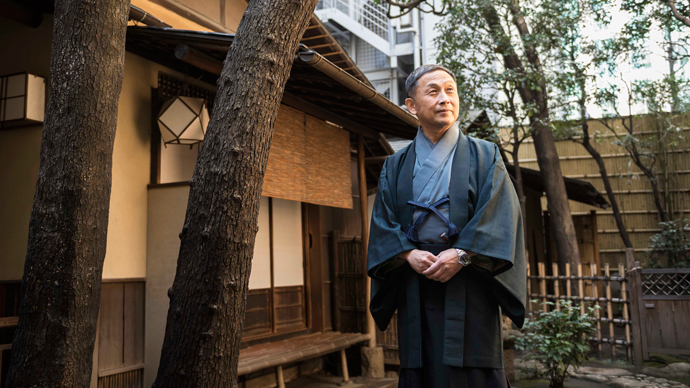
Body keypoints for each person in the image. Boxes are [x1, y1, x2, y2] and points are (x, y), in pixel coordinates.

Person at [367, 64, 526, 388]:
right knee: (421, 367)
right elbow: (383, 222)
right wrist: (407, 254)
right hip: (416, 281)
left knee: (476, 370)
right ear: (411, 105)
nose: (444, 98)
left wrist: (463, 254)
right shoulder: (395, 165)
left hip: (471, 281)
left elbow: (501, 216)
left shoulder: (485, 155)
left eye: (450, 90)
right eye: (433, 91)